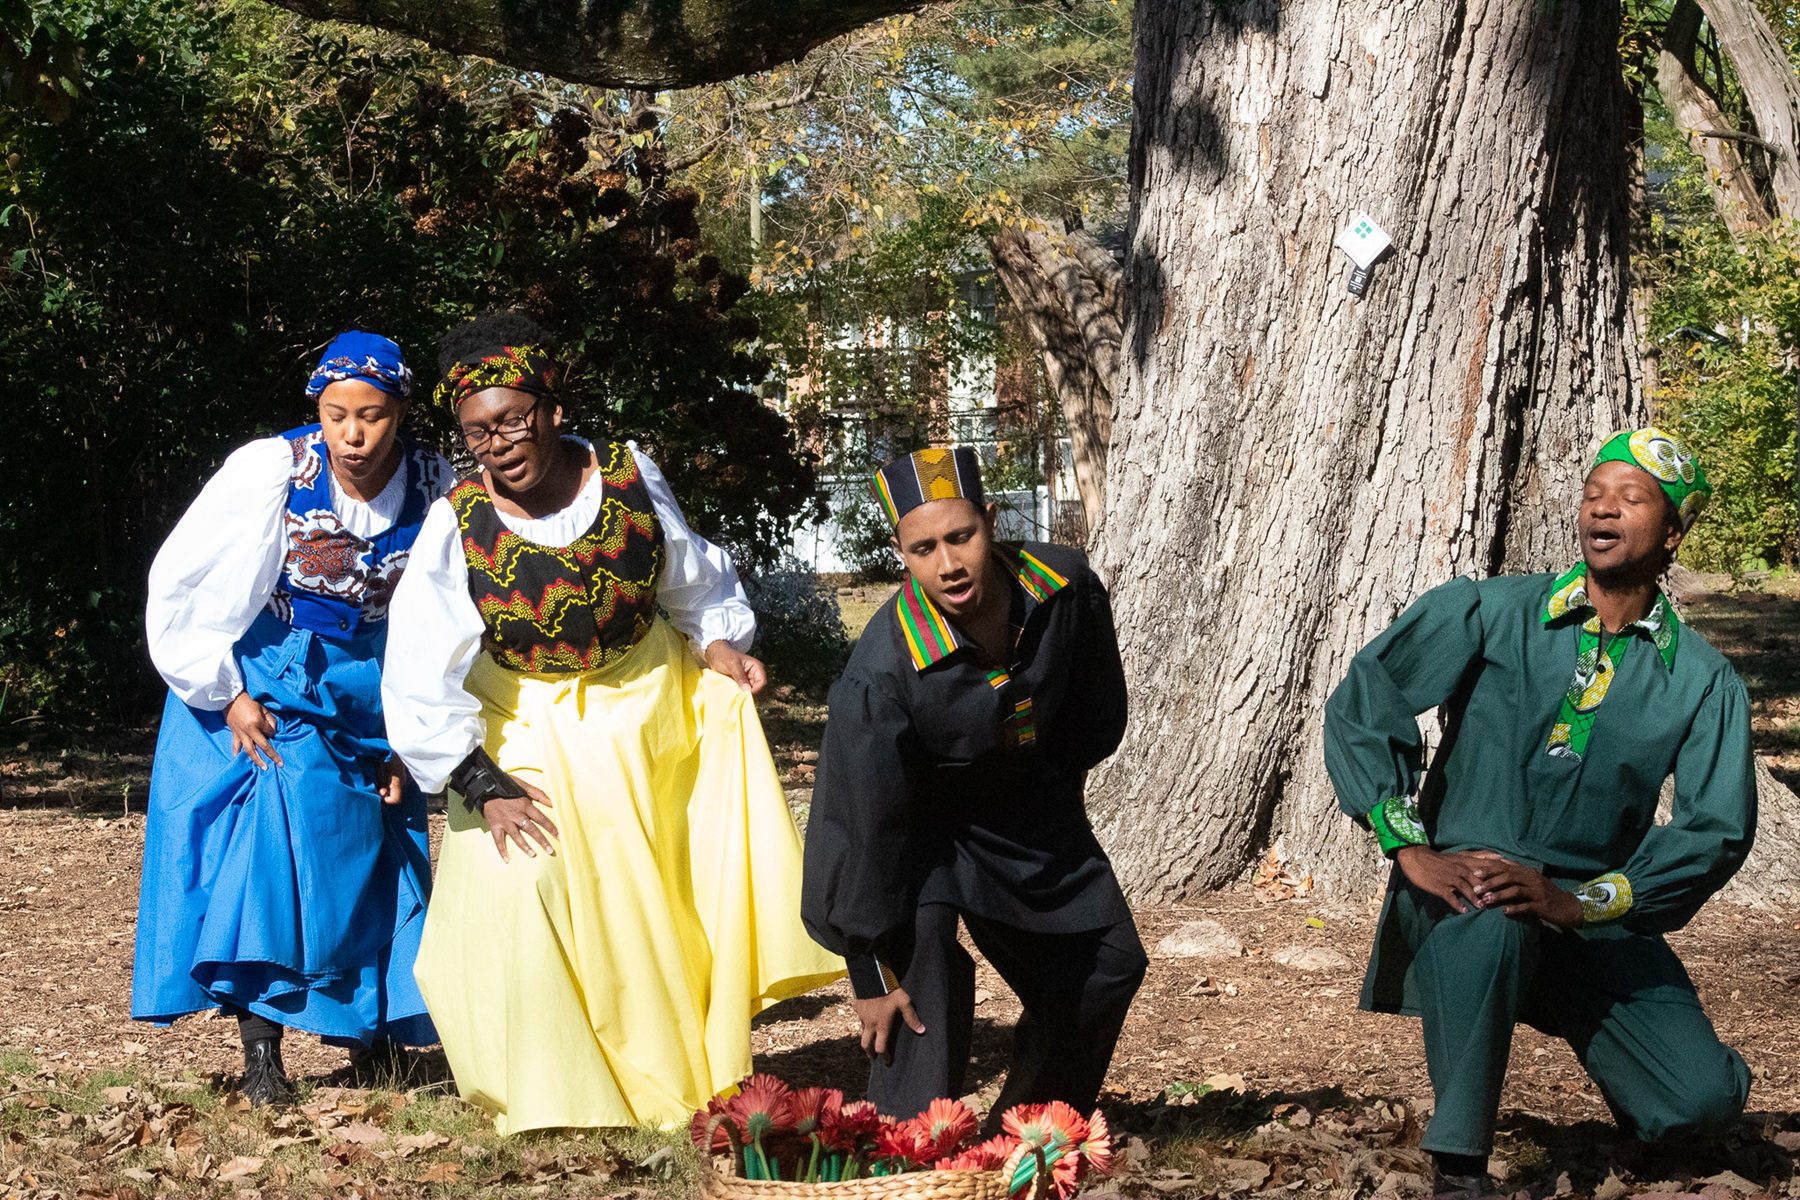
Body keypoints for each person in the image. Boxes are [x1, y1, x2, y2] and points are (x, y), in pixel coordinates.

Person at [380, 311, 839, 1135]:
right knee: (521, 880)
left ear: (552, 406)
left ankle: (670, 1080)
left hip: (647, 711)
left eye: (514, 420)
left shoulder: (626, 476)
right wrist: (480, 782)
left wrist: (723, 646)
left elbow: (692, 584)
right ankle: (552, 1093)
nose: (499, 444)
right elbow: (418, 670)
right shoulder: (457, 522)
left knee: (648, 900)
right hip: (522, 716)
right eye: (478, 433)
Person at [1324, 427, 1756, 1193]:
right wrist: (1409, 846)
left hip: (1591, 913)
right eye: (1594, 494)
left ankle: (1625, 1062)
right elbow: (1368, 697)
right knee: (1492, 905)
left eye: (1631, 499)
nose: (1603, 509)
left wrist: (1575, 902)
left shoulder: (1701, 680)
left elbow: (1712, 831)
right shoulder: (1490, 608)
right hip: (1470, 892)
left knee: (1703, 1104)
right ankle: (1460, 1165)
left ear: (1673, 534)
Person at [134, 331, 450, 1105]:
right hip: (279, 679)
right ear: (318, 408)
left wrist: (419, 733)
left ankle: (375, 1036)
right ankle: (261, 1050)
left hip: (379, 689)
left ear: (401, 411)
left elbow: (445, 614)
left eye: (372, 415)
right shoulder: (275, 470)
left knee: (382, 848)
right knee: (275, 845)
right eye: (337, 413)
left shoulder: (435, 484)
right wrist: (223, 687)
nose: (353, 434)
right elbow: (184, 574)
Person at [801, 446, 1146, 1120]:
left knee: (1105, 964)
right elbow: (861, 820)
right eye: (923, 548)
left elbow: (1094, 710)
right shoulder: (881, 672)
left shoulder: (1065, 585)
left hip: (1022, 810)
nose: (948, 564)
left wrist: (1046, 789)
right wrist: (869, 970)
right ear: (901, 552)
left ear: (990, 520)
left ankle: (1029, 1138)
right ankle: (910, 1164)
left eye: (961, 537)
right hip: (916, 834)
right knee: (922, 995)